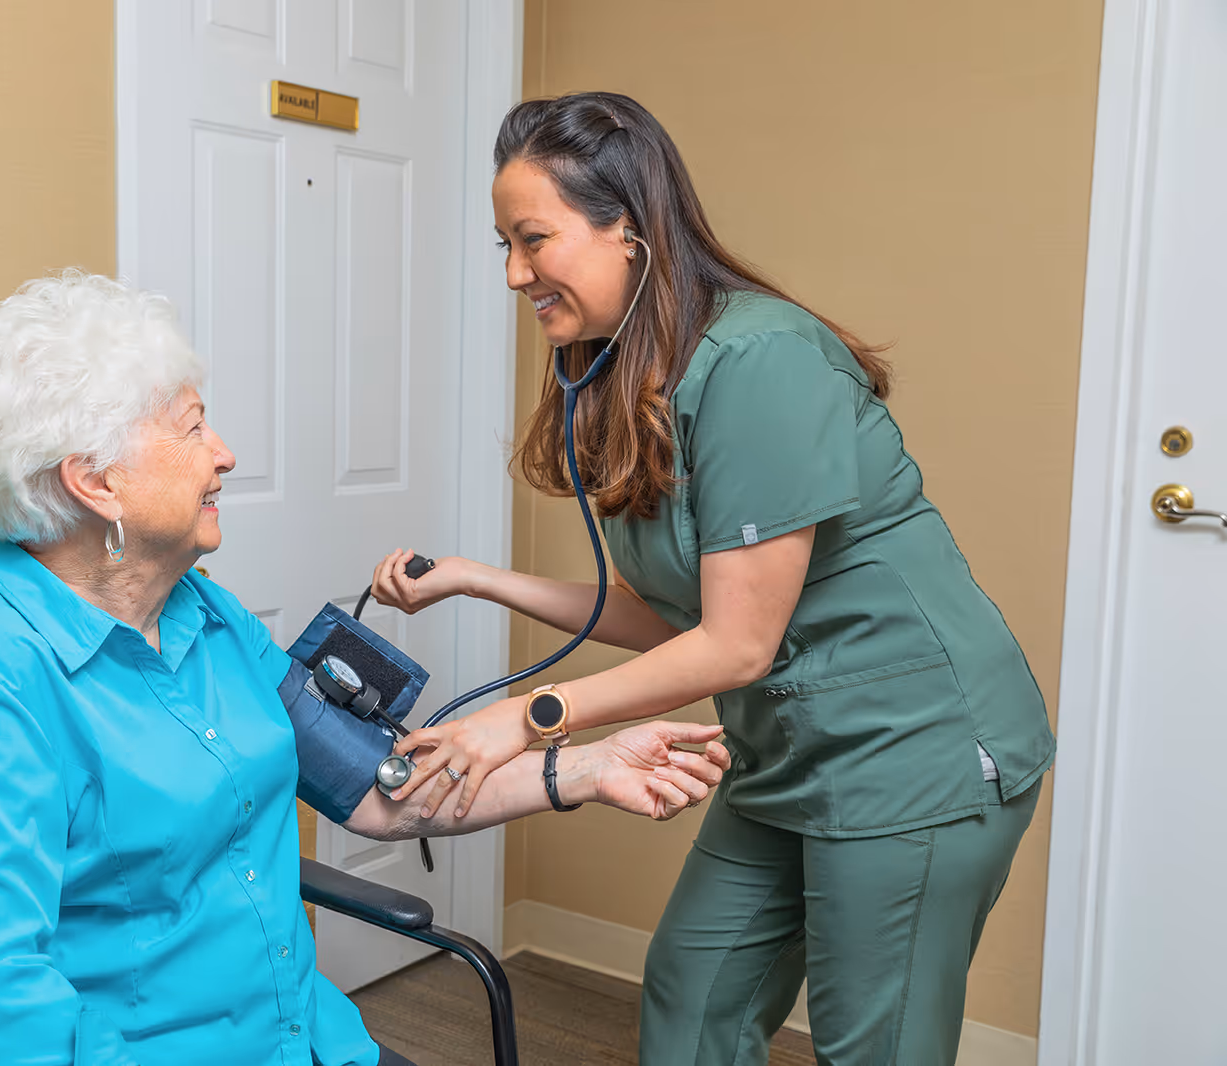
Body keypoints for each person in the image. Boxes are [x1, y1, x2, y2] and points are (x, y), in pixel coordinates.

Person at [368, 93, 1056, 1066]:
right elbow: (674, 617)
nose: (517, 273)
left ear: (631, 233)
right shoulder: (630, 373)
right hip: (785, 751)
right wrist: (479, 580)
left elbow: (735, 642)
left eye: (533, 240)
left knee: (876, 1044)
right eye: (503, 247)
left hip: (913, 749)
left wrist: (524, 717)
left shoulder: (761, 359)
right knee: (693, 1002)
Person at [0, 270, 733, 1066]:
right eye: (192, 428)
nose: (223, 454)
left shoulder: (207, 615)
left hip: (310, 1042)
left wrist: (586, 767)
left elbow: (380, 788)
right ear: (96, 483)